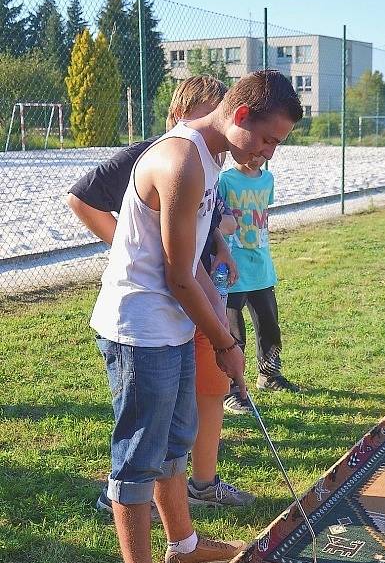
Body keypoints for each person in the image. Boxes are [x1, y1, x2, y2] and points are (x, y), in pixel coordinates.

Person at [89, 70, 302, 563]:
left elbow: (200, 269)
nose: (268, 151)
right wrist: (228, 341)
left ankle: (183, 546)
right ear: (239, 117)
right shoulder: (182, 161)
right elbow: (176, 275)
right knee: (138, 457)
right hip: (140, 329)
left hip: (174, 327)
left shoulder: (212, 159)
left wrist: (218, 339)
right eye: (267, 138)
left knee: (176, 442)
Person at [68, 76, 255, 511]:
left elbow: (202, 232)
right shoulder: (171, 157)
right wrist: (132, 250)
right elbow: (84, 199)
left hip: (187, 307)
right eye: (207, 115)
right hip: (151, 314)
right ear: (183, 118)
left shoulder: (210, 160)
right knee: (143, 440)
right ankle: (138, 556)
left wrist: (220, 249)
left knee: (180, 428)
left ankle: (189, 521)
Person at [219, 154, 300, 415]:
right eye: (250, 152)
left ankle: (269, 375)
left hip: (262, 270)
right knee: (234, 336)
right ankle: (231, 389)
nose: (256, 158)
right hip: (233, 271)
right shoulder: (226, 180)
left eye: (262, 154)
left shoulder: (268, 180)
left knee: (269, 326)